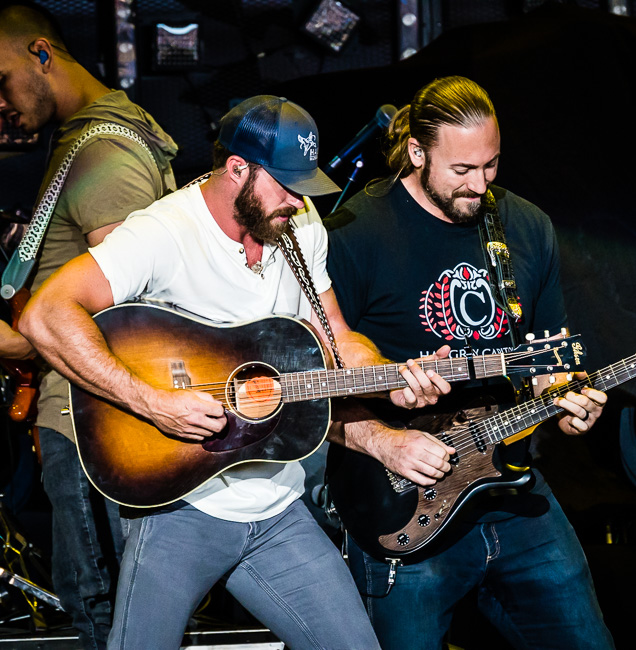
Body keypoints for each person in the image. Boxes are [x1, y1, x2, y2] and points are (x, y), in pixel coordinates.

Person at [19, 93, 451, 650]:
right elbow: (45, 314)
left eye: (304, 187)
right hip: (181, 510)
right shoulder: (165, 232)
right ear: (237, 169)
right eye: (286, 186)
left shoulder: (300, 226)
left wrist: (394, 375)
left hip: (277, 509)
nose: (298, 202)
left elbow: (338, 338)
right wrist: (149, 401)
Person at [324, 75, 615, 649]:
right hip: (403, 497)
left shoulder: (526, 227)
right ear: (416, 153)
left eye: (491, 166)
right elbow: (323, 388)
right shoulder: (356, 232)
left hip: (511, 489)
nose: (479, 186)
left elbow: (548, 362)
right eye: (461, 171)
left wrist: (566, 402)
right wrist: (385, 442)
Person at [0, 3, 177, 648]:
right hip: (80, 417)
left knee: (108, 615)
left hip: (97, 426)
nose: (0, 103)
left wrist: (19, 338)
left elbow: (128, 317)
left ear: (41, 53)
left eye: (2, 80)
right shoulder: (82, 144)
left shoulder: (104, 150)